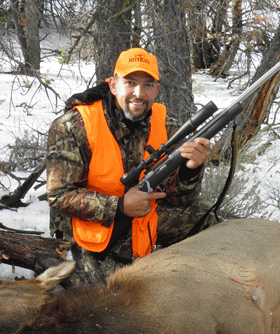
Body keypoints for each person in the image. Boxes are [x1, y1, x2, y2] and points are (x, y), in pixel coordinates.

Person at [46, 47, 217, 285]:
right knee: (112, 303)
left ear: (157, 90)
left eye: (148, 85)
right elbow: (59, 196)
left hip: (146, 220)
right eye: (130, 83)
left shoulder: (169, 126)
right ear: (113, 85)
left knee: (212, 225)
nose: (139, 93)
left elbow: (181, 200)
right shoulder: (72, 126)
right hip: (90, 229)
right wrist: (120, 206)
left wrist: (191, 169)